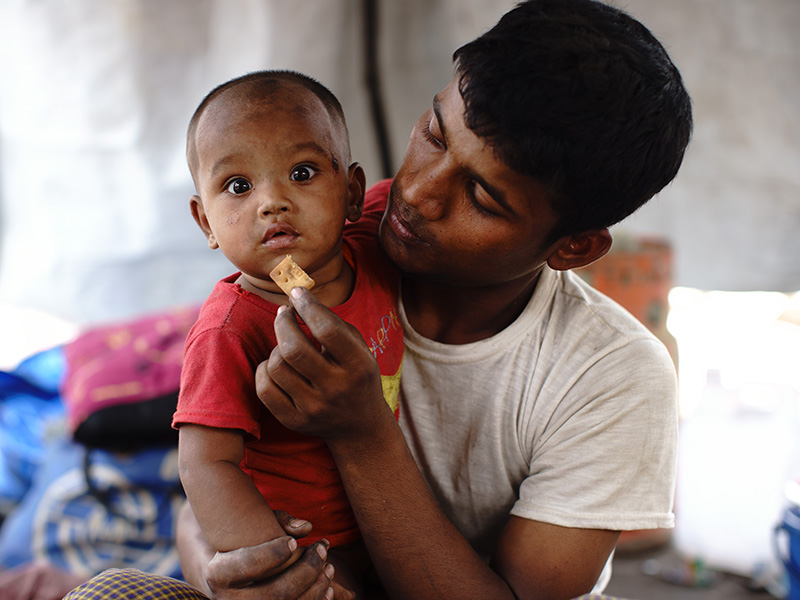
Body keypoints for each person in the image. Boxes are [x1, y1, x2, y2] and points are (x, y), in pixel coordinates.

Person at [65, 0, 692, 598]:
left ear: (574, 248)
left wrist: (362, 430)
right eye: (435, 134)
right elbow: (213, 469)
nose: (417, 193)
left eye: (482, 196)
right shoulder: (333, 235)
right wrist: (228, 568)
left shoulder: (613, 377)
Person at [171, 70, 403, 596]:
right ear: (205, 221)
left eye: (302, 172)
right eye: (238, 186)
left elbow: (405, 192)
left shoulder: (372, 249)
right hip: (306, 544)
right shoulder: (229, 329)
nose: (271, 201)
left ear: (352, 193)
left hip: (389, 515)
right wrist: (278, 569)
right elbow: (205, 464)